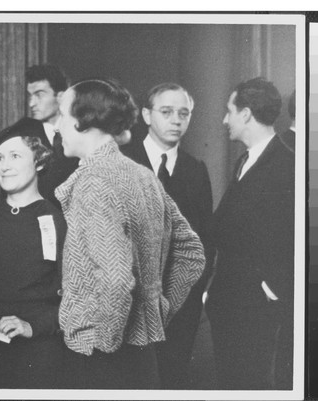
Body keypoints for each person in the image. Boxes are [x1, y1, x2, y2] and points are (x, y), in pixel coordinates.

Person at [55, 78, 206, 389]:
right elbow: (192, 253)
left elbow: (115, 278)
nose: (57, 127)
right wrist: (155, 308)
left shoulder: (94, 182)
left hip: (100, 356)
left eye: (61, 115)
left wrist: (106, 342)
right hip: (143, 354)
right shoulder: (143, 175)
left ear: (84, 121)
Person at [0, 117, 67, 388]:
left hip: (37, 356)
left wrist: (32, 326)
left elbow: (76, 297)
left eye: (15, 156)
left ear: (39, 161)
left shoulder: (58, 221)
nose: (4, 167)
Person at [121, 82, 214, 389]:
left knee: (172, 382)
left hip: (179, 308)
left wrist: (184, 298)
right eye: (167, 112)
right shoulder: (123, 161)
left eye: (184, 113)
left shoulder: (196, 169)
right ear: (146, 115)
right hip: (128, 302)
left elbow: (203, 242)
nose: (176, 120)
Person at [206, 77, 295, 390]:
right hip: (231, 302)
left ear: (245, 114)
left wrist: (270, 288)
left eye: (230, 111)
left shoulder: (287, 164)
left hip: (254, 309)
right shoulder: (246, 159)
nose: (224, 120)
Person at [26, 64, 79, 208]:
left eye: (39, 95)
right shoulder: (23, 139)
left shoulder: (81, 134)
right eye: (30, 96)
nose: (31, 103)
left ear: (61, 96)